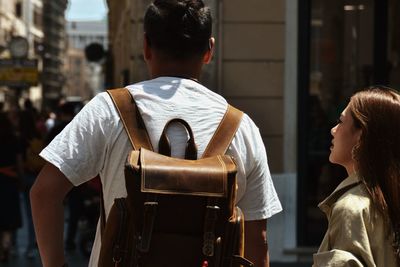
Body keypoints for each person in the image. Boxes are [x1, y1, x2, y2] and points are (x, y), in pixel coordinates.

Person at [30, 1, 282, 266]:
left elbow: (44, 193)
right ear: (209, 50)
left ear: (146, 47)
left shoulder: (109, 110)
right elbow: (257, 238)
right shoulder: (241, 126)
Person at [313, 86, 400, 266]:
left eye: (341, 121)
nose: (333, 130)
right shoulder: (388, 199)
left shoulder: (350, 209)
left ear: (361, 135)